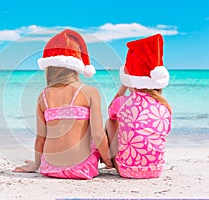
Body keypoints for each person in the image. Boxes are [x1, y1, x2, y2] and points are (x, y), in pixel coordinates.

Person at [13, 29, 112, 179]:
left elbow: (41, 138)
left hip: (50, 168)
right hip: (81, 168)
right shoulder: (90, 92)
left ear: (49, 68)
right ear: (76, 67)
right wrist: (107, 160)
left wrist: (36, 164)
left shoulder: (43, 96)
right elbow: (98, 135)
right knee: (104, 130)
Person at [106, 34, 172, 179]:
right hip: (156, 170)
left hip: (127, 170)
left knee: (110, 122)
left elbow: (110, 112)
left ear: (130, 79)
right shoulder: (164, 106)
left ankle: (109, 160)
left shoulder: (123, 102)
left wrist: (123, 87)